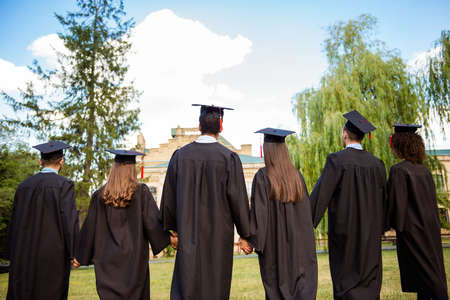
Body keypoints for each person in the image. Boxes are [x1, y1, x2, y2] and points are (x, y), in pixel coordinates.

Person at [160, 104, 251, 300]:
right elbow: (239, 201)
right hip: (219, 237)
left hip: (188, 234)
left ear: (199, 126)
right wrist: (245, 234)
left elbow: (168, 198)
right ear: (221, 127)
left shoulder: (180, 157)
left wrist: (173, 231)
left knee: (187, 285)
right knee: (215, 287)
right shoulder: (229, 158)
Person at [76, 149, 176, 300]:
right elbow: (153, 225)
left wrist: (80, 254)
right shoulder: (141, 193)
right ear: (132, 169)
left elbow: (89, 228)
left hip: (106, 267)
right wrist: (170, 239)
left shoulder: (100, 196)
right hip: (134, 266)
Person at [310, 110, 386, 300]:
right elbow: (384, 201)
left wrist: (306, 221)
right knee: (370, 284)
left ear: (345, 133)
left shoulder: (336, 160)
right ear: (363, 136)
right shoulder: (377, 164)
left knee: (347, 285)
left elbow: (320, 197)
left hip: (346, 236)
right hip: (370, 236)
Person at [246, 128, 317, 300]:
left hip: (276, 255)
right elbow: (307, 218)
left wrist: (250, 240)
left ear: (266, 151)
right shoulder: (297, 177)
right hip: (301, 253)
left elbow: (259, 219)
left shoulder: (263, 177)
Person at [6, 141, 79, 300]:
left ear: (40, 161)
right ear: (61, 161)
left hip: (23, 254)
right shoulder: (64, 185)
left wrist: (10, 252)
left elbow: (14, 221)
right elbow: (69, 221)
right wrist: (74, 251)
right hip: (53, 257)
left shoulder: (24, 186)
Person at [387, 124, 448, 300]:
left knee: (429, 278)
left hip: (412, 233)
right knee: (432, 273)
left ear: (399, 145)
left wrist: (388, 223)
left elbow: (397, 207)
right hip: (430, 229)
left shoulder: (399, 170)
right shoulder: (425, 170)